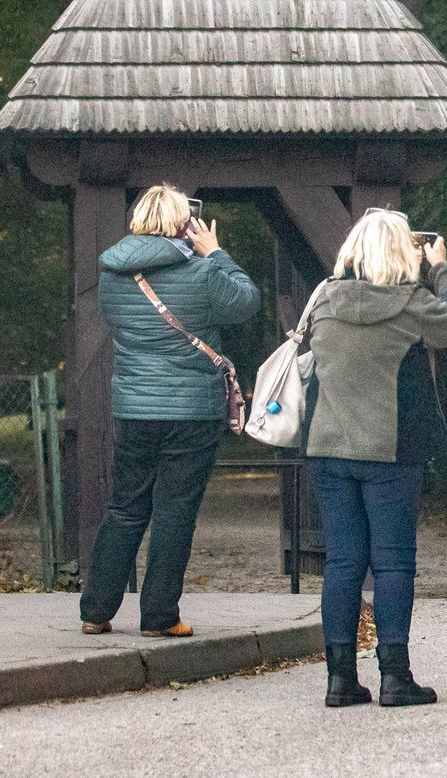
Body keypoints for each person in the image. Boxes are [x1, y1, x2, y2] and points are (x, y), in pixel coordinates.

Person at [302, 207, 447, 708]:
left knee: (343, 562)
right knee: (394, 563)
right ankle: (395, 679)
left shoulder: (323, 301)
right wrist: (440, 266)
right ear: (404, 252)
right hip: (389, 452)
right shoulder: (411, 303)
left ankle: (340, 680)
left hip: (328, 449)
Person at [79, 184, 259, 637]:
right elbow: (246, 302)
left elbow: (119, 325)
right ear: (184, 223)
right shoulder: (201, 272)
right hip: (191, 411)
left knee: (124, 506)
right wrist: (216, 252)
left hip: (134, 407)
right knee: (174, 510)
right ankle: (159, 616)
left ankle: (96, 611)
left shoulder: (111, 274)